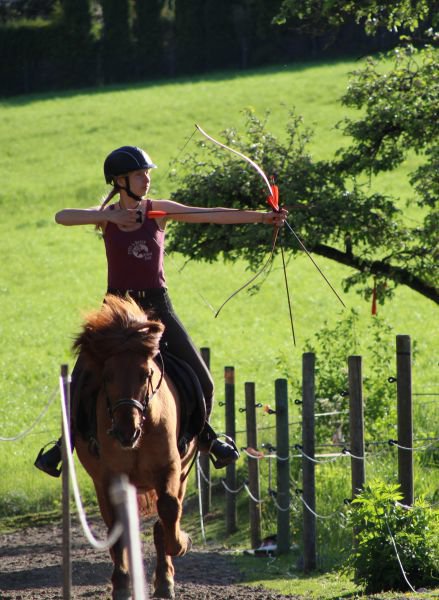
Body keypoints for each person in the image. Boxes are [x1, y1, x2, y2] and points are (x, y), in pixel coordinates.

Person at [35, 145, 288, 477]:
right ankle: (63, 444)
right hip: (117, 311)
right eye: (139, 174)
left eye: (147, 173)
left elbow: (210, 213)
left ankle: (206, 436)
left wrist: (262, 217)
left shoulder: (159, 211)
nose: (147, 179)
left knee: (204, 380)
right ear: (120, 181)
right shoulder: (107, 216)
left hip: (157, 308)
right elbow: (62, 216)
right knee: (81, 378)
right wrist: (109, 216)